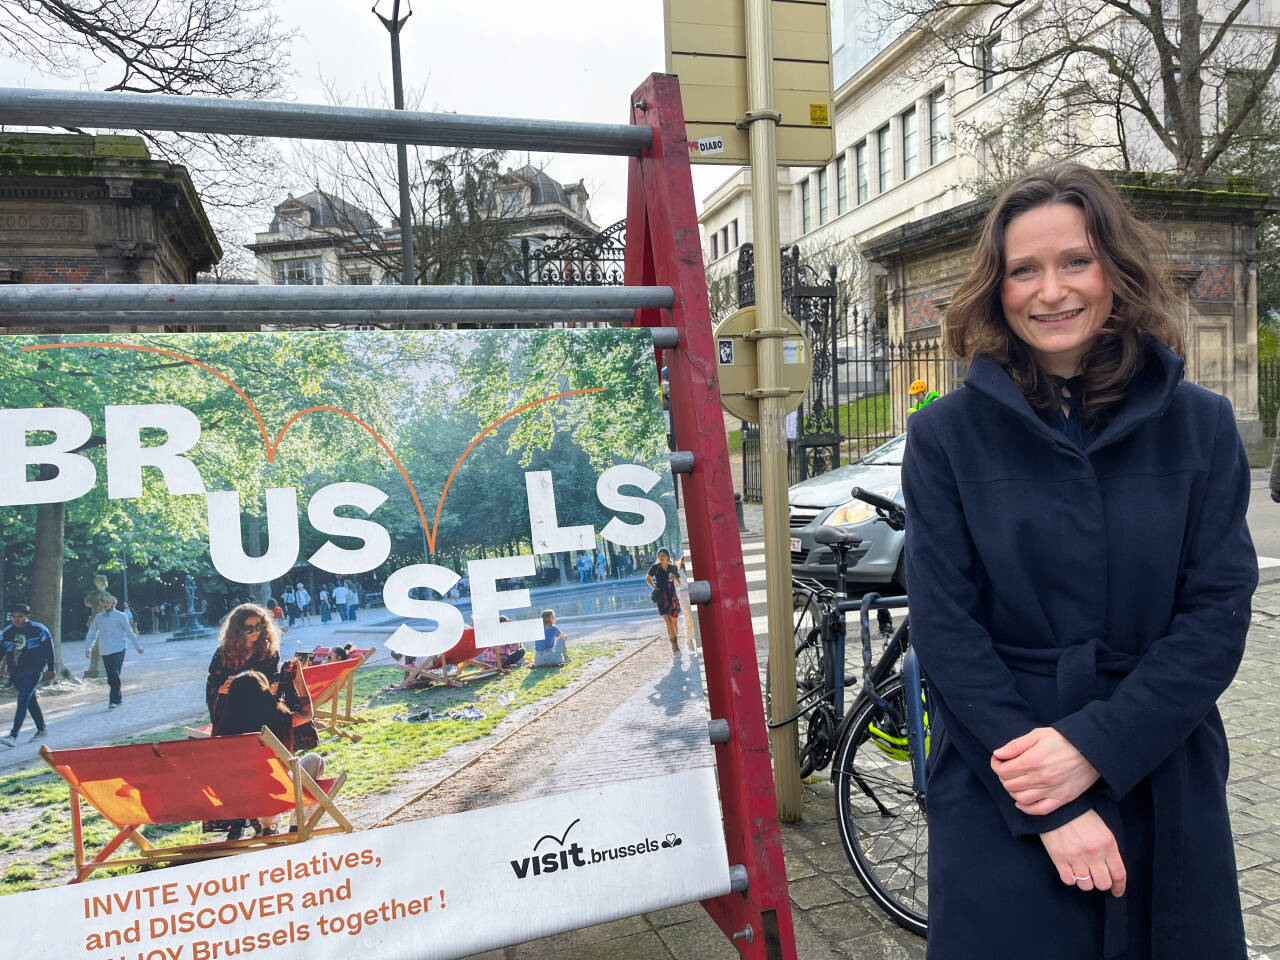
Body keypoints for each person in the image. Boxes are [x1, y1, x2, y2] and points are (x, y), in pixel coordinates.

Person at [901, 164, 1256, 959]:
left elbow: (1217, 617)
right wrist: (1049, 804)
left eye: (1075, 261)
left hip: (1159, 762)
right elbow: (947, 630)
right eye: (1023, 269)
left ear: (1116, 273)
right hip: (1007, 773)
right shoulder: (945, 438)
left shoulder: (1201, 426)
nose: (1050, 290)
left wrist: (1097, 747)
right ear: (997, 289)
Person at [210, 667, 322, 840]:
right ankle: (296, 823)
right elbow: (308, 714)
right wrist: (298, 679)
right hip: (279, 792)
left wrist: (224, 695)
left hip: (242, 798)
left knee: (258, 778)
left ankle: (269, 826)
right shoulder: (280, 717)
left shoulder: (223, 729)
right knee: (315, 761)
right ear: (263, 693)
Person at [206, 603, 287, 718]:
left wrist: (276, 684)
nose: (255, 632)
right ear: (237, 630)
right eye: (249, 629)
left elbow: (275, 675)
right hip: (234, 713)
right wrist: (221, 689)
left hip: (262, 711)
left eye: (259, 626)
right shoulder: (223, 653)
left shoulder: (270, 651)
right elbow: (212, 686)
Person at [0, 603, 54, 746]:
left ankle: (13, 735)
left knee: (23, 698)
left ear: (27, 617)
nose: (16, 619)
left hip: (34, 670)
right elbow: (2, 651)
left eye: (20, 617)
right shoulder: (7, 632)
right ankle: (42, 729)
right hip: (16, 671)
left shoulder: (39, 629)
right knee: (30, 700)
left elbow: (49, 649)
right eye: (14, 617)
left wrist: (51, 668)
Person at [84, 594, 144, 709]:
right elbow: (92, 633)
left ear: (113, 604)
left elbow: (129, 632)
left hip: (119, 648)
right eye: (103, 602)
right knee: (111, 677)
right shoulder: (98, 618)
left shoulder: (121, 616)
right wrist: (88, 648)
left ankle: (114, 700)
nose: (104, 604)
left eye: (107, 602)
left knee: (114, 674)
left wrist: (138, 647)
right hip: (105, 650)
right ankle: (118, 697)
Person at [646, 548, 683, 658]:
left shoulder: (673, 567)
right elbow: (647, 578)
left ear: (667, 556)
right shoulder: (655, 567)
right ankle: (675, 647)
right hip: (661, 597)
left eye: (663, 555)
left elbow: (679, 584)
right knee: (668, 621)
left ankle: (675, 641)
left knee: (674, 621)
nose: (661, 557)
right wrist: (654, 586)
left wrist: (674, 578)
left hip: (672, 596)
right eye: (659, 555)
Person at [82, 573, 110, 678]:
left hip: (94, 620)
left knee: (94, 644)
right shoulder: (107, 595)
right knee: (102, 645)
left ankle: (94, 667)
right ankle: (100, 667)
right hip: (103, 621)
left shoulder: (91, 595)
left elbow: (87, 603)